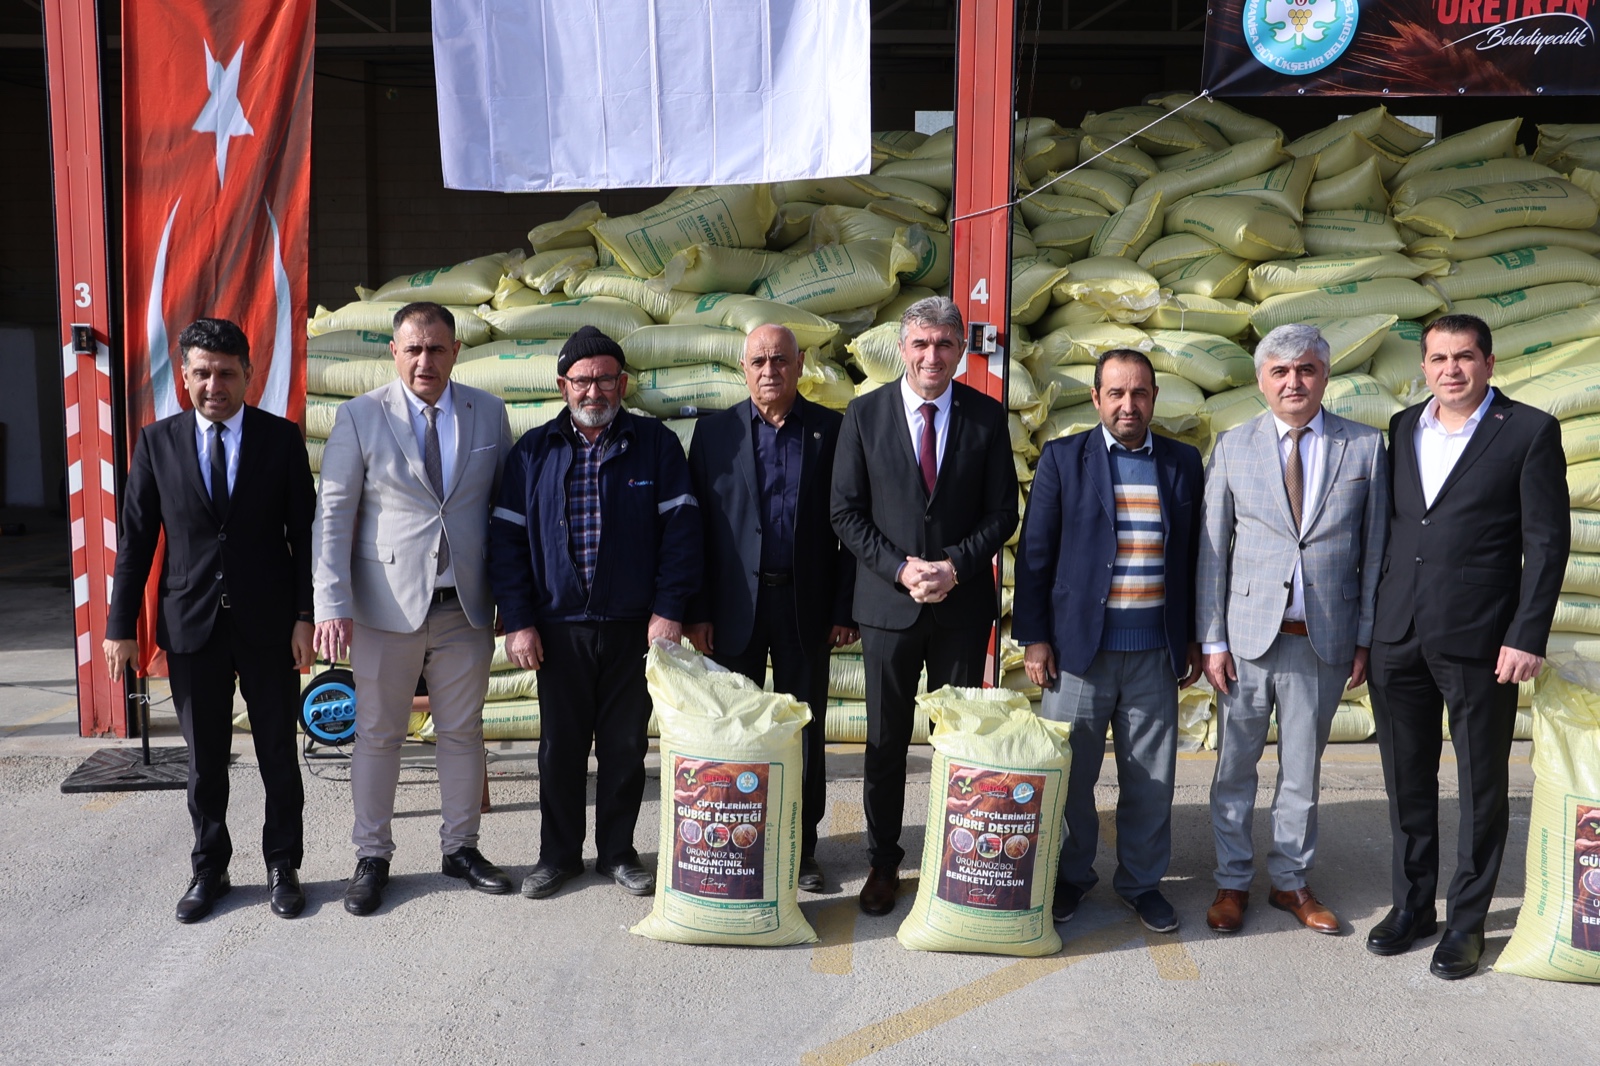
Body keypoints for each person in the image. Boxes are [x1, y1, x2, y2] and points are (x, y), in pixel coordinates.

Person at [1366, 313, 1568, 980]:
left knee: (1481, 787)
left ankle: (1467, 924)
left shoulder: (1529, 431)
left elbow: (1546, 543)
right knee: (1406, 781)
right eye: (1438, 358)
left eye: (1464, 357)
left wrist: (1526, 634)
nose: (1450, 369)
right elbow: (1401, 528)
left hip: (1481, 639)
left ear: (1488, 362)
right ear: (1423, 366)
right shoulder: (1402, 427)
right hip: (1399, 632)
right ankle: (1412, 906)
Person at [103, 318, 315, 923]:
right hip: (192, 625)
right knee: (204, 761)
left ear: (248, 374)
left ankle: (283, 866)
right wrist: (120, 627)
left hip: (270, 626)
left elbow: (305, 536)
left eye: (226, 373)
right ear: (184, 376)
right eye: (201, 373)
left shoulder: (281, 439)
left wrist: (305, 616)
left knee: (278, 754)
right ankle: (209, 868)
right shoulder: (157, 443)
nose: (213, 385)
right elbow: (137, 541)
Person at [313, 301, 514, 916]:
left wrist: (513, 599)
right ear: (394, 353)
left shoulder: (489, 412)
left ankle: (461, 849)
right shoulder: (359, 416)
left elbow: (506, 513)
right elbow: (333, 516)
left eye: (437, 348)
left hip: (464, 608)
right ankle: (372, 856)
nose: (426, 360)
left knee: (462, 732)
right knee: (378, 735)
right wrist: (330, 602)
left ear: (456, 352)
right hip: (383, 608)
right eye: (414, 349)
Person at [490, 325, 702, 900]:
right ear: (563, 386)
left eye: (605, 379)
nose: (594, 391)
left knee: (625, 747)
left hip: (634, 627)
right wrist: (519, 619)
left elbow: (682, 534)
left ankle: (618, 854)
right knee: (559, 749)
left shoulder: (655, 444)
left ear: (622, 384)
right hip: (558, 630)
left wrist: (669, 610)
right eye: (582, 380)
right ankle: (557, 857)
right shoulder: (533, 451)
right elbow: (506, 544)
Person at [1197, 322, 1388, 937]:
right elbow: (1212, 552)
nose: (1293, 382)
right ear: (1262, 381)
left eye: (1305, 369)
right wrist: (1213, 640)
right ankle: (1232, 881)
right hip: (1247, 642)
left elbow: (1376, 551)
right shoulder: (1234, 446)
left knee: (1302, 772)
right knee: (1234, 768)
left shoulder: (1364, 447)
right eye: (1279, 371)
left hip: (1322, 639)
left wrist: (1364, 637)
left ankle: (1290, 881)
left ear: (1325, 376)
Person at [831, 295, 1019, 916]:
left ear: (960, 350)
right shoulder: (864, 415)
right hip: (889, 606)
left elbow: (1003, 513)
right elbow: (846, 513)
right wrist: (902, 567)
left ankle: (954, 857)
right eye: (920, 343)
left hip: (960, 608)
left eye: (943, 344)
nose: (931, 355)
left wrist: (955, 566)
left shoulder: (986, 417)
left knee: (958, 742)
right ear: (901, 349)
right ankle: (883, 862)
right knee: (886, 742)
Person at [1013, 349, 1204, 934]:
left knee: (1151, 781)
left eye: (1140, 393)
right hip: (1079, 653)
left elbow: (1195, 558)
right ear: (1096, 398)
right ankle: (1070, 877)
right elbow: (1035, 554)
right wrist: (1036, 638)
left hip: (1153, 652)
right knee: (1071, 777)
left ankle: (1142, 883)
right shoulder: (1063, 459)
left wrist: (1192, 638)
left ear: (1154, 398)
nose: (1128, 405)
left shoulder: (1181, 462)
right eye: (1116, 393)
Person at [685, 325, 858, 893]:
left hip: (806, 607)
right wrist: (698, 610)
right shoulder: (714, 433)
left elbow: (852, 525)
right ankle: (739, 842)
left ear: (800, 363)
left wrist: (844, 607)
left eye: (780, 360)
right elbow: (696, 528)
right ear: (743, 367)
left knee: (802, 730)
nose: (769, 370)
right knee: (735, 730)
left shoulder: (831, 430)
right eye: (758, 360)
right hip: (733, 608)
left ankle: (801, 850)